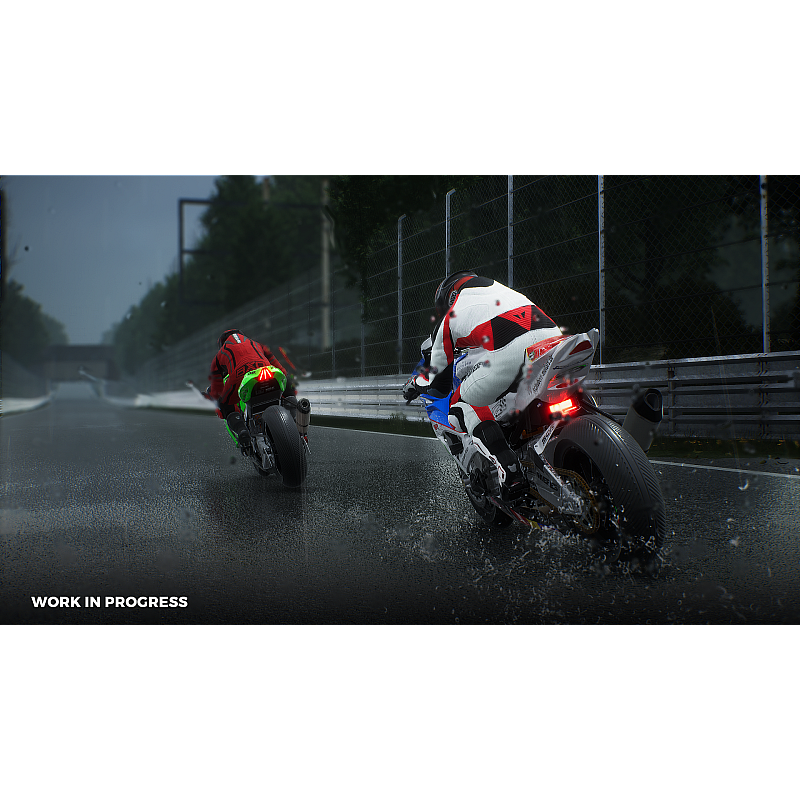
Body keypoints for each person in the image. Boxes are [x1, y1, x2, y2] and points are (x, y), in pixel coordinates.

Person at [403, 271, 563, 500]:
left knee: (461, 406)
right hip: (555, 341)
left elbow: (438, 386)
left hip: (512, 353)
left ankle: (510, 471)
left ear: (448, 298)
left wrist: (415, 384)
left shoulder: (448, 320)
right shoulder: (505, 292)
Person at [205, 329, 297, 449]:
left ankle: (242, 430)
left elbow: (216, 389)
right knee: (287, 387)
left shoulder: (220, 355)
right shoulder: (257, 344)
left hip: (242, 377)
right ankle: (297, 424)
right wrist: (288, 387)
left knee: (225, 403)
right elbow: (280, 368)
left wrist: (212, 397)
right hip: (267, 371)